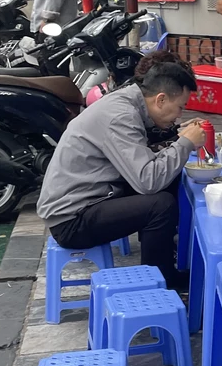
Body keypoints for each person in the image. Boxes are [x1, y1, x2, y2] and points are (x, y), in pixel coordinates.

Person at [36, 63, 206, 287]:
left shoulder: (127, 102)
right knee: (160, 204)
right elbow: (148, 181)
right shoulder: (120, 116)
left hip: (94, 195)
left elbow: (141, 152)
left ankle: (166, 254)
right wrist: (185, 143)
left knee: (170, 177)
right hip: (71, 219)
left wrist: (175, 134)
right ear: (161, 99)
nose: (180, 114)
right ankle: (160, 281)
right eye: (180, 107)